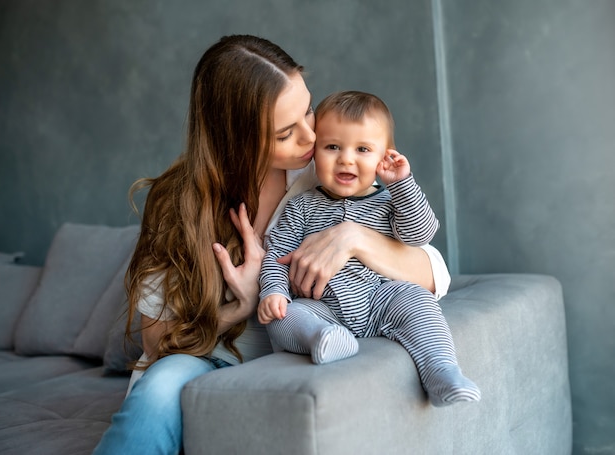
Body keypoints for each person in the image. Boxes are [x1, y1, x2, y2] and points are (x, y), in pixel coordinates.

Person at [94, 36, 451, 454]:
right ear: (236, 139)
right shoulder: (180, 201)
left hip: (298, 348)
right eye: (286, 133)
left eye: (308, 111)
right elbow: (156, 343)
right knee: (158, 394)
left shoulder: (326, 172)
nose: (311, 137)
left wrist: (352, 237)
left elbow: (434, 273)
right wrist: (240, 307)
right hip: (202, 357)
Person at [258, 91, 480, 407]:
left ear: (383, 157)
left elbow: (421, 234)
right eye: (332, 146)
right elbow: (277, 255)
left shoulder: (391, 203)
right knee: (282, 317)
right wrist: (274, 292)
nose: (346, 159)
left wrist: (402, 184)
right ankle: (322, 339)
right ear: (315, 151)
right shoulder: (301, 206)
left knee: (416, 299)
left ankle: (442, 372)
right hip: (323, 307)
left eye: (363, 149)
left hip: (380, 298)